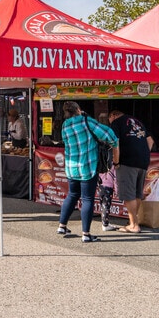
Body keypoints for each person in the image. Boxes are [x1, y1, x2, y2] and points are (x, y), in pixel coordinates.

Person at [57, 101, 119, 242]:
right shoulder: (87, 122)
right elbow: (108, 134)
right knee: (87, 198)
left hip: (71, 167)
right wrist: (114, 144)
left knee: (72, 194)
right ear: (79, 109)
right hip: (87, 166)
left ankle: (62, 226)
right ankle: (86, 234)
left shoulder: (65, 125)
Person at [108, 109, 150, 234]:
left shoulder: (116, 123)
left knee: (128, 194)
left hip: (127, 161)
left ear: (113, 115)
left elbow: (115, 143)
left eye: (109, 119)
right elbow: (150, 140)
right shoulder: (138, 122)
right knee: (137, 193)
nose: (110, 122)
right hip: (143, 161)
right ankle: (133, 220)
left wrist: (115, 161)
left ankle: (134, 225)